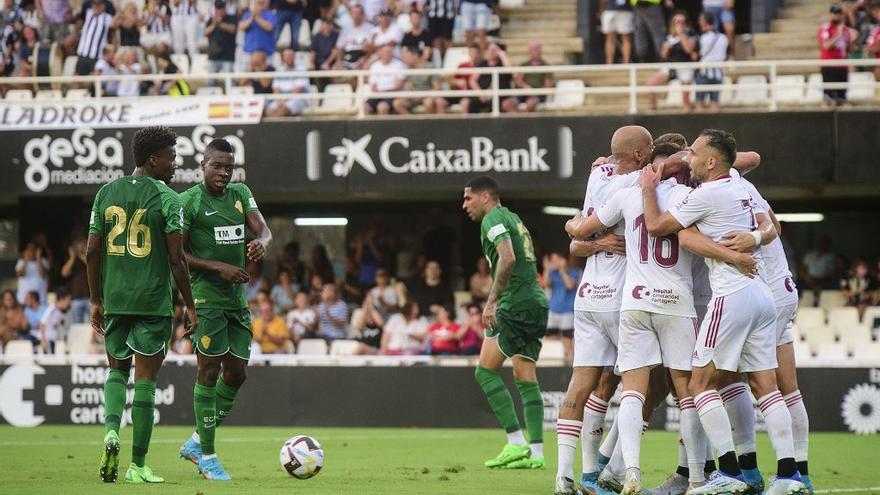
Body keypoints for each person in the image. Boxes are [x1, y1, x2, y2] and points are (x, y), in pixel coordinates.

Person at [565, 137, 755, 495]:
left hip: (634, 303)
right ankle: (698, 477)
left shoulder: (626, 191)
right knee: (689, 393)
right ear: (682, 166)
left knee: (633, 392)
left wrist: (575, 227)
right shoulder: (689, 197)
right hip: (678, 304)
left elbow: (581, 232)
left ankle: (628, 471)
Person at [638, 129, 806, 495]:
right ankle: (790, 476)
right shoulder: (741, 187)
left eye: (694, 154)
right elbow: (770, 225)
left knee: (699, 384)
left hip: (731, 295)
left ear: (711, 161)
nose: (689, 160)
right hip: (763, 294)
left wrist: (649, 189)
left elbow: (656, 226)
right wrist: (755, 240)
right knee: (766, 386)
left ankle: (727, 473)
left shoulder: (707, 194)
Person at [87, 125, 199, 484]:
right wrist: (191, 306)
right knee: (146, 382)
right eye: (171, 156)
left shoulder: (105, 193)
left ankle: (110, 432)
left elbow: (91, 251)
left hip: (116, 301)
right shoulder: (169, 199)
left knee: (116, 372)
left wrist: (95, 300)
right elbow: (177, 259)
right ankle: (137, 466)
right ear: (153, 159)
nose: (175, 163)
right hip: (153, 304)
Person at [552, 126, 651, 495]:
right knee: (639, 385)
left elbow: (576, 234)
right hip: (622, 297)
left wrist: (585, 239)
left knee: (585, 383)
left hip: (588, 294)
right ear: (641, 155)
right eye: (650, 147)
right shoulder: (637, 183)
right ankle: (615, 470)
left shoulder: (597, 175)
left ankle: (570, 476)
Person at [175, 137, 272, 480]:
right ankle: (208, 457)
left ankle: (197, 440)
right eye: (217, 166)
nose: (223, 173)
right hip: (206, 299)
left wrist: (261, 242)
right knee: (209, 371)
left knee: (237, 373)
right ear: (202, 165)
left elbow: (263, 229)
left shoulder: (240, 194)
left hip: (236, 301)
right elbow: (179, 254)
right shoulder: (188, 201)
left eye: (229, 167)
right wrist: (218, 267)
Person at [461, 175, 549, 470]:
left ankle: (514, 441)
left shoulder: (493, 219)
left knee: (485, 372)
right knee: (525, 377)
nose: (464, 205)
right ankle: (536, 454)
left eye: (468, 198)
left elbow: (507, 258)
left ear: (485, 197)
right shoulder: (513, 217)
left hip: (516, 304)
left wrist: (491, 301)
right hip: (536, 302)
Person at [645, 11, 698, 111]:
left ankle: (687, 113)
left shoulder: (691, 34)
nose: (679, 23)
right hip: (670, 66)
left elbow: (688, 49)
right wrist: (666, 48)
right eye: (676, 21)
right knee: (650, 85)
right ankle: (654, 109)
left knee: (685, 98)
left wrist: (681, 34)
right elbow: (663, 56)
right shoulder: (669, 36)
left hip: (685, 66)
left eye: (681, 21)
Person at [542, 251, 578, 363]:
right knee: (551, 340)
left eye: (556, 260)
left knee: (568, 343)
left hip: (567, 312)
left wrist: (563, 270)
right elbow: (546, 284)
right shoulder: (552, 273)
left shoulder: (573, 272)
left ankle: (569, 368)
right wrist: (547, 268)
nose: (554, 262)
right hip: (553, 311)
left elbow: (570, 285)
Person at [818, 4, 854, 106]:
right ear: (831, 14)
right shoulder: (826, 28)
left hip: (842, 67)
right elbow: (826, 45)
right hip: (830, 66)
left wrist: (854, 41)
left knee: (842, 98)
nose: (837, 15)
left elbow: (849, 49)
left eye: (839, 13)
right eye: (835, 13)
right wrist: (838, 35)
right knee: (828, 98)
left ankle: (843, 120)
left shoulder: (846, 30)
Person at [394, 45, 447, 114]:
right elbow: (409, 87)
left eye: (407, 56)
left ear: (415, 56)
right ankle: (412, 122)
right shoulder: (409, 70)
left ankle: (429, 124)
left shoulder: (431, 67)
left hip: (429, 96)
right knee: (397, 103)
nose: (404, 59)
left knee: (428, 102)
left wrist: (423, 95)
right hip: (414, 97)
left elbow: (437, 87)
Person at [693, 11, 728, 112]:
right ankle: (715, 127)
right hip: (719, 73)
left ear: (704, 21)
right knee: (715, 103)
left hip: (704, 72)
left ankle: (699, 126)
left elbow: (695, 55)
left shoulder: (702, 38)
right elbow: (725, 55)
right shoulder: (723, 37)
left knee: (699, 102)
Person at [469, 42, 518, 113]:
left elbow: (510, 70)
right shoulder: (483, 64)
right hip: (483, 94)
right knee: (472, 104)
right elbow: (472, 80)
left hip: (500, 96)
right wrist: (480, 93)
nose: (491, 52)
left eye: (494, 50)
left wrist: (502, 55)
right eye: (489, 49)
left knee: (498, 103)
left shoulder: (503, 64)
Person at [75, 0, 117, 76]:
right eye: (94, 5)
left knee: (95, 79)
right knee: (78, 77)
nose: (96, 7)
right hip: (83, 52)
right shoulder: (88, 13)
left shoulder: (107, 18)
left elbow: (115, 25)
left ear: (103, 6)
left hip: (97, 55)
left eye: (99, 5)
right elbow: (79, 16)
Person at [266, 47, 312, 116]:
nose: (289, 58)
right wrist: (279, 101)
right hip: (281, 99)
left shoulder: (301, 69)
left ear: (294, 57)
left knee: (283, 110)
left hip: (297, 99)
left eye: (290, 55)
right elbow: (276, 89)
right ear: (283, 57)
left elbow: (298, 90)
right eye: (286, 56)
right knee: (268, 110)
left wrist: (283, 101)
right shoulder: (279, 70)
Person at [365, 43, 405, 115]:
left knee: (382, 107)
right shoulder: (374, 66)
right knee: (364, 107)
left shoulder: (399, 64)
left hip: (392, 95)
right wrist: (378, 93)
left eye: (390, 52)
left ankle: (384, 126)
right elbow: (373, 86)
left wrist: (385, 91)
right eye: (386, 52)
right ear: (380, 53)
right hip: (378, 94)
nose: (388, 54)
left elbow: (399, 85)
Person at [514, 41, 554, 112]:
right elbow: (518, 81)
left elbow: (548, 85)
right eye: (533, 49)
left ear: (541, 50)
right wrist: (525, 87)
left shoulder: (546, 66)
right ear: (529, 51)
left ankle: (524, 122)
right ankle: (516, 121)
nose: (535, 51)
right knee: (508, 104)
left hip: (538, 95)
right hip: (524, 92)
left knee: (531, 103)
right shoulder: (524, 65)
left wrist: (535, 92)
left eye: (537, 49)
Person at [239, 0, 277, 72]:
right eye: (258, 3)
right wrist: (252, 17)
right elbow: (242, 27)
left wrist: (257, 17)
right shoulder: (247, 15)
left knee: (265, 79)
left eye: (262, 3)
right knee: (247, 77)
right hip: (249, 53)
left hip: (267, 54)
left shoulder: (270, 15)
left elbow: (269, 27)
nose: (260, 5)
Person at [61, 237, 91, 324]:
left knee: (93, 326)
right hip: (76, 298)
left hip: (90, 298)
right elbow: (64, 273)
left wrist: (80, 254)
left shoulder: (90, 257)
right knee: (77, 326)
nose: (81, 247)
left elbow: (90, 266)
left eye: (84, 244)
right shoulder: (72, 260)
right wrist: (73, 257)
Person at [332, 3, 371, 69]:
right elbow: (339, 47)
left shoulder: (370, 28)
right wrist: (339, 61)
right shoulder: (346, 29)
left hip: (362, 59)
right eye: (353, 13)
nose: (355, 15)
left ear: (362, 15)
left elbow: (372, 48)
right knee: (336, 69)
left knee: (366, 68)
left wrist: (366, 58)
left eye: (357, 13)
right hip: (347, 58)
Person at [205, 0, 238, 75]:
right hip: (213, 56)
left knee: (229, 82)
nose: (220, 11)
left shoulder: (231, 18)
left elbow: (232, 29)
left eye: (221, 8)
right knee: (210, 82)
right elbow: (205, 33)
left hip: (227, 56)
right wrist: (214, 25)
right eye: (218, 8)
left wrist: (220, 24)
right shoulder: (211, 20)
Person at [39, 287, 72, 354]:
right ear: (62, 299)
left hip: (56, 340)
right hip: (48, 340)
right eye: (68, 300)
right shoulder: (52, 308)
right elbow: (42, 323)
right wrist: (43, 339)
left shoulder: (64, 312)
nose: (69, 303)